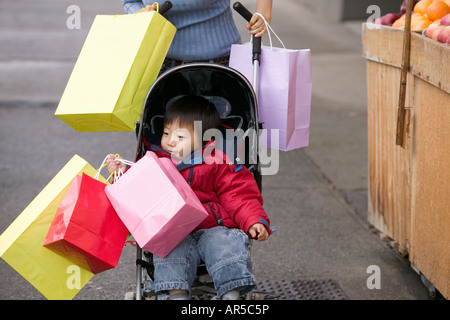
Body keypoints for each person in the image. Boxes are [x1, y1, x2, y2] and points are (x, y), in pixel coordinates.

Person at [107, 95, 272, 300]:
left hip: (213, 226)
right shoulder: (155, 162)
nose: (170, 141)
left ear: (203, 139)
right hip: (174, 230)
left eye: (180, 137)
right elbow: (140, 192)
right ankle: (176, 295)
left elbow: (238, 195)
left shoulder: (217, 161)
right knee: (170, 248)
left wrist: (253, 220)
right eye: (167, 133)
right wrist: (122, 171)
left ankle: (231, 293)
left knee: (224, 242)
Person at [121, 0, 273, 68]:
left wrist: (264, 12)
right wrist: (141, 13)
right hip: (159, 65)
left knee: (219, 132)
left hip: (219, 65)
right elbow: (130, 1)